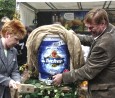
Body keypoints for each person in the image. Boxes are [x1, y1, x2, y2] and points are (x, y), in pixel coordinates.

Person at [53, 8, 115, 98]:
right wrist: (73, 37)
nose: (89, 30)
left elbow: (88, 71)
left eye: (91, 27)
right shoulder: (109, 30)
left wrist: (63, 77)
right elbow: (92, 40)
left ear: (102, 23)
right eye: (87, 27)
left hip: (104, 93)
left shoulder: (105, 44)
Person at [0, 19, 26, 98]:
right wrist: (8, 81)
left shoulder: (13, 51)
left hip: (6, 94)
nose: (18, 43)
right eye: (16, 39)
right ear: (8, 34)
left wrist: (17, 81)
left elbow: (15, 70)